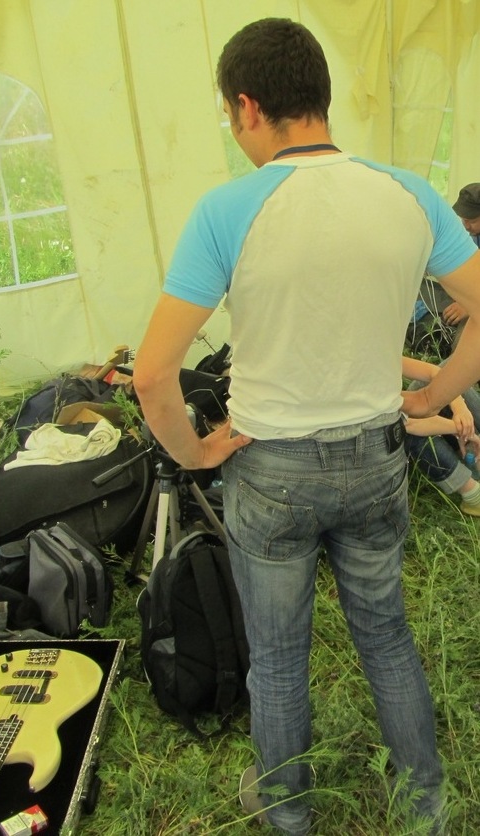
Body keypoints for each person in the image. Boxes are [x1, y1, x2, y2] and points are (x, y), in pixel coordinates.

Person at [133, 18, 480, 834]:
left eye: (229, 115)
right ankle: (425, 809)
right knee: (386, 637)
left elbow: (150, 375)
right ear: (319, 97)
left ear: (247, 106)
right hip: (375, 460)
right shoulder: (408, 193)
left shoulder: (226, 209)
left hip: (269, 469)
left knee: (280, 658)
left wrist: (194, 451)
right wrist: (433, 395)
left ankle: (287, 813)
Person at [403, 356, 480, 515]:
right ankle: (473, 495)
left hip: (400, 413)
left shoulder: (377, 355)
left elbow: (435, 372)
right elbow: (402, 422)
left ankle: (474, 460)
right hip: (386, 434)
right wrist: (458, 428)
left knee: (450, 373)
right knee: (401, 430)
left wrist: (460, 408)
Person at [417, 183, 480, 344]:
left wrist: (469, 306)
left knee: (466, 335)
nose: (466, 225)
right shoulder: (474, 234)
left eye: (471, 220)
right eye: (463, 219)